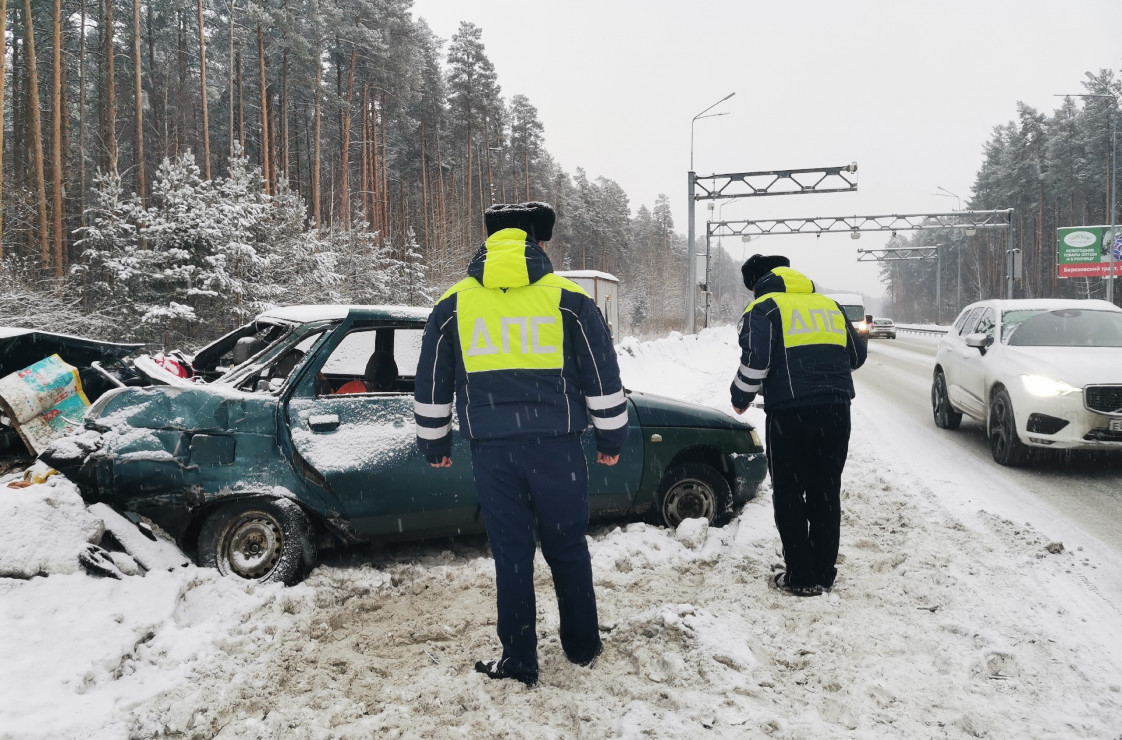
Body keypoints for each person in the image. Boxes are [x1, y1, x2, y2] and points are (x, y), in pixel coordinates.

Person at [414, 201, 628, 687]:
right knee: (567, 546)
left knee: (511, 554)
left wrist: (435, 443)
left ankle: (519, 660)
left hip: (493, 453)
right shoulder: (570, 301)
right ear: (539, 242)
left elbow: (431, 383)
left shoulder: (454, 305)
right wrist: (611, 434)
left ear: (488, 241)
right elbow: (601, 375)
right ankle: (581, 644)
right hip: (557, 447)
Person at [730, 254, 867, 597]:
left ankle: (801, 576)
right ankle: (823, 570)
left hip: (790, 414)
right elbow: (856, 355)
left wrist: (740, 397)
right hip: (837, 410)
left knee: (789, 492)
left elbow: (755, 363)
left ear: (757, 283)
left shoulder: (764, 309)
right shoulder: (829, 306)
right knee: (825, 489)